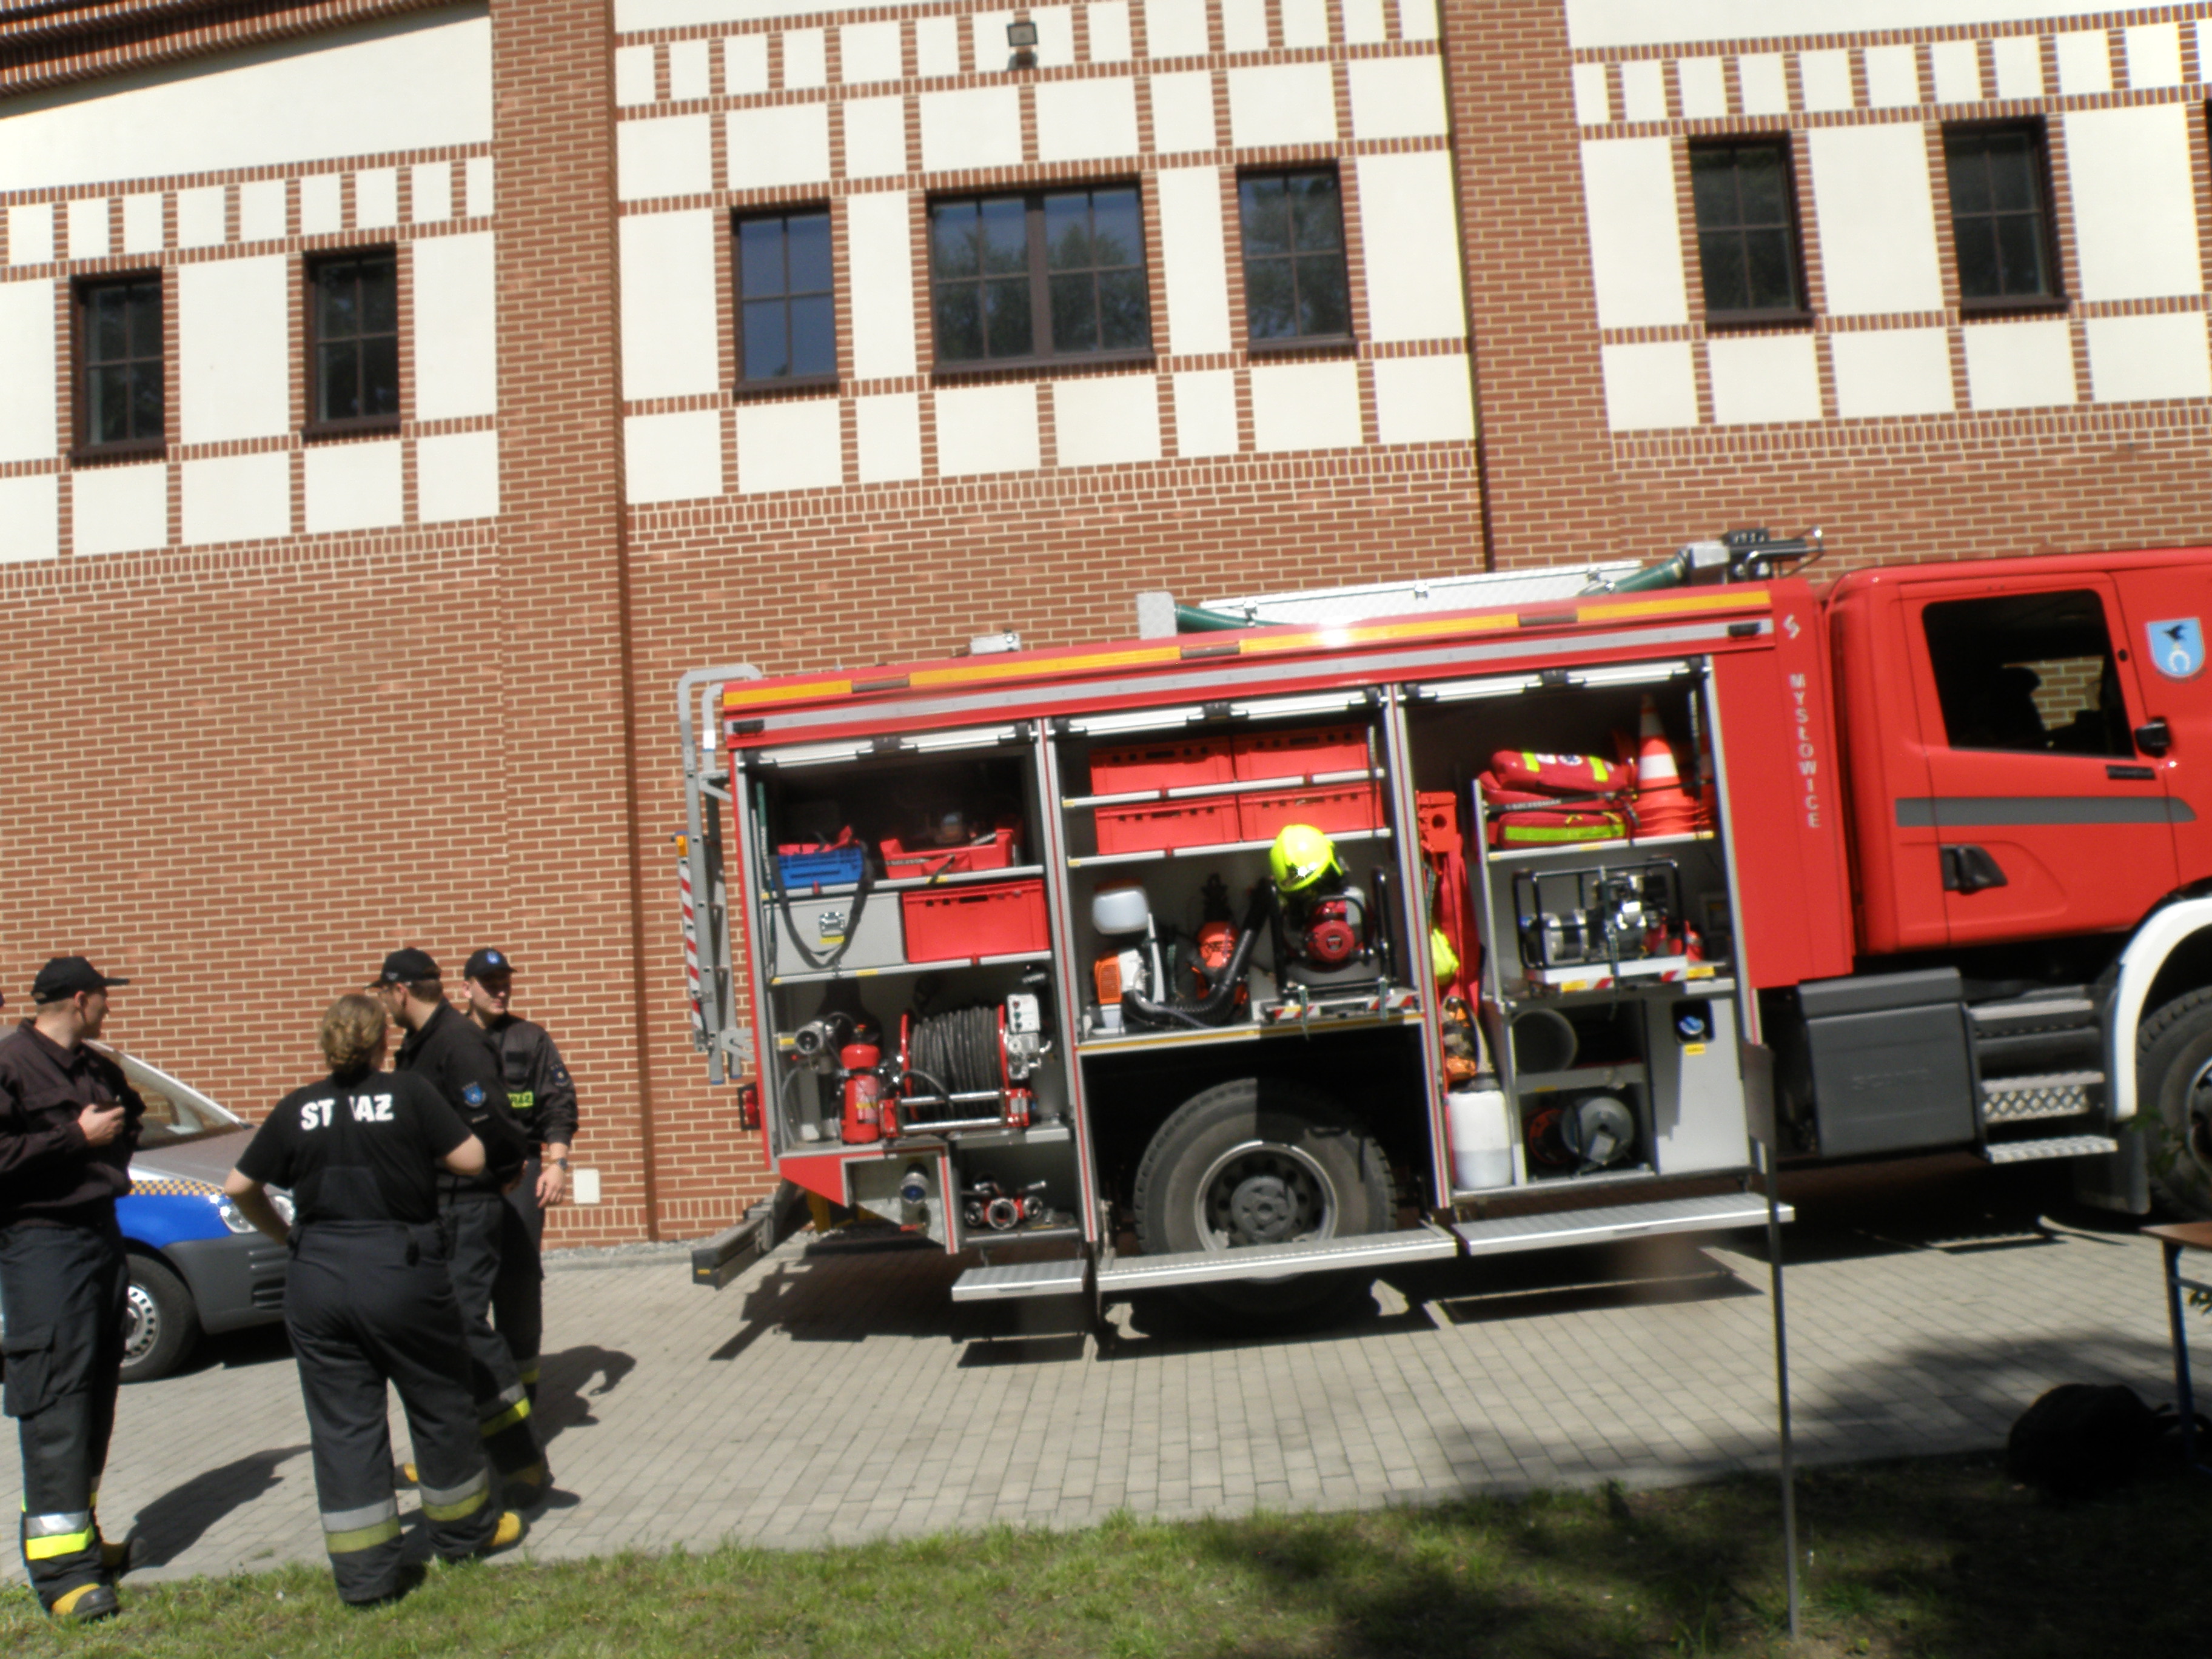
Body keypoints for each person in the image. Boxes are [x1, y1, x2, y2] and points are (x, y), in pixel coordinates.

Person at [223, 994, 521, 1603]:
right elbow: (471, 1159)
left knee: (343, 1425)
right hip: (399, 1270)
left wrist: (287, 1237)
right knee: (438, 1403)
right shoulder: (408, 1093)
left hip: (317, 1276)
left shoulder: (299, 1106)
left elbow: (238, 1186)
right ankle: (464, 1534)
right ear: (383, 1041)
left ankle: (365, 1578)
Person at [368, 949, 548, 1505]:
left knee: (468, 1330)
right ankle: (456, 1450)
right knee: (444, 1335)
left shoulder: (456, 1044)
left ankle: (522, 1460)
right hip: (436, 1211)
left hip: (465, 1210)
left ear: (401, 991)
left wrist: (497, 1176)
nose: (384, 1004)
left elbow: (497, 1124)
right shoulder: (420, 1044)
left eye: (384, 994)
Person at [0, 956, 144, 1623]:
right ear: (80, 1000)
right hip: (42, 1247)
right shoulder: (11, 1066)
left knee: (94, 1395)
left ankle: (83, 1541)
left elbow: (132, 1122)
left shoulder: (98, 1068)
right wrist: (73, 1138)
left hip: (99, 1238)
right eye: (104, 999)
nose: (109, 1009)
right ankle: (62, 1577)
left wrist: (104, 1153)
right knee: (56, 1397)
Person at [460, 948, 577, 1404]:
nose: (500, 991)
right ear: (466, 988)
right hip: (462, 1178)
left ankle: (524, 1395)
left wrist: (557, 1164)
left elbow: (559, 1105)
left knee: (520, 1280)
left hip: (523, 1168)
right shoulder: (449, 1041)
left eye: (504, 982)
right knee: (465, 1282)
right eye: (489, 984)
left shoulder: (530, 1038)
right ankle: (477, 1388)